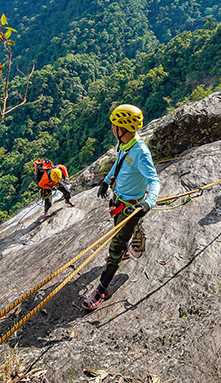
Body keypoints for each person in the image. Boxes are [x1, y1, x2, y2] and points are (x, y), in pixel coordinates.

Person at [82, 104, 160, 310]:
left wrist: (148, 202)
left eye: (114, 125)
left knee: (115, 246)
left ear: (122, 128)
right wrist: (107, 181)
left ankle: (102, 289)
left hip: (131, 207)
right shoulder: (126, 145)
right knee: (119, 231)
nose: (111, 128)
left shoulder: (140, 152)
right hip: (120, 201)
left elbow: (154, 180)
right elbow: (119, 164)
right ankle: (127, 244)